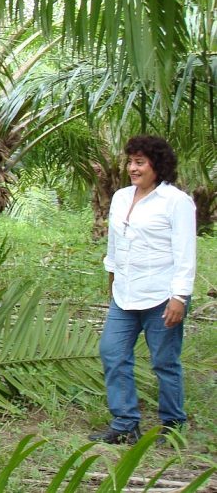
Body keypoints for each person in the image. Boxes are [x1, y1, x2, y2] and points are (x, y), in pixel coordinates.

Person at [89, 135, 195, 445]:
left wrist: (179, 297)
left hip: (161, 295)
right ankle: (125, 423)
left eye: (139, 162)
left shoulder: (176, 202)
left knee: (164, 361)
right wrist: (111, 278)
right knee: (112, 353)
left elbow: (185, 253)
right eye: (130, 162)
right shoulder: (122, 197)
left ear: (156, 166)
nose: (132, 168)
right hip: (124, 293)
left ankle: (173, 423)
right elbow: (115, 242)